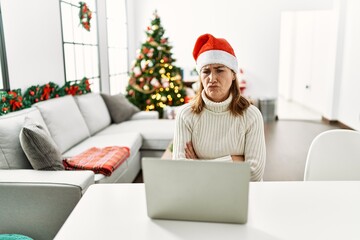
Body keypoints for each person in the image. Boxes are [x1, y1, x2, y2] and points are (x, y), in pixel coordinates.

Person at [172, 33, 266, 181]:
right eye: (206, 71)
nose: (212, 78)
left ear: (233, 74)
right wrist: (235, 160)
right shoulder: (185, 114)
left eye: (220, 70)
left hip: (241, 194)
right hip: (201, 193)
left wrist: (198, 165)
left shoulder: (251, 115)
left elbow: (254, 173)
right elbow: (181, 172)